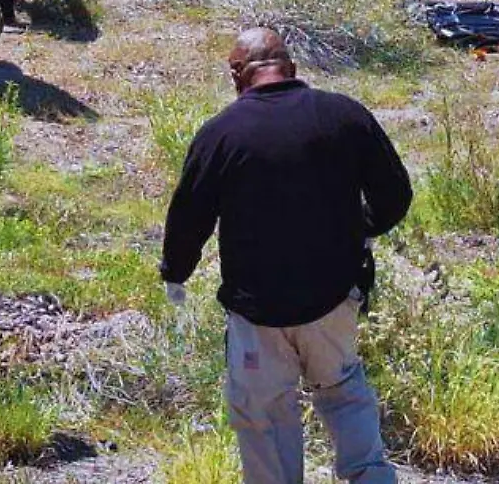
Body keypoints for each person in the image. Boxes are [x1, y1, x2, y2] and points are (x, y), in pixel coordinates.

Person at [159, 27, 412, 484]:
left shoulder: (221, 134)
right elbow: (395, 195)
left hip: (259, 314)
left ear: (237, 74)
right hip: (332, 300)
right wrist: (362, 228)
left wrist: (176, 273)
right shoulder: (343, 116)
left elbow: (188, 218)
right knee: (343, 392)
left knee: (264, 417)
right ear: (292, 68)